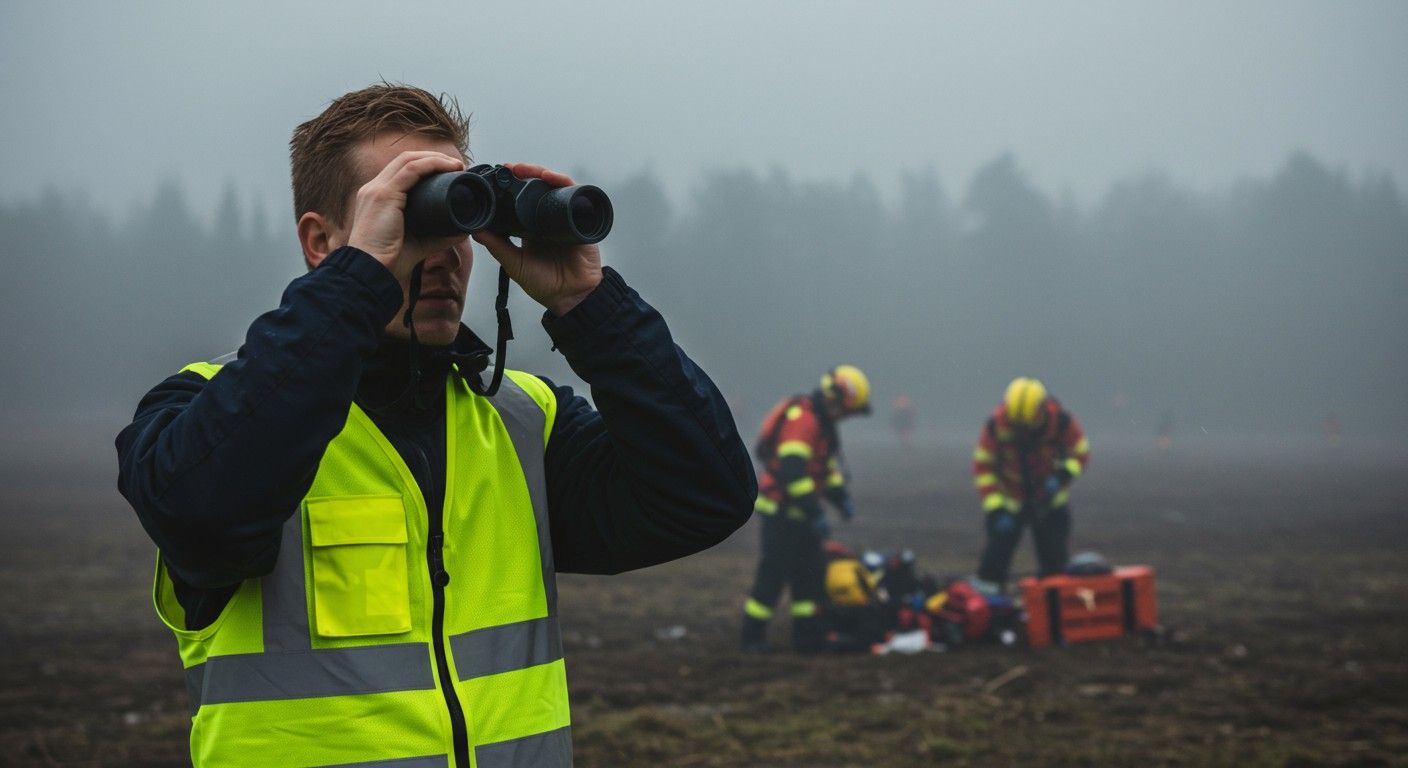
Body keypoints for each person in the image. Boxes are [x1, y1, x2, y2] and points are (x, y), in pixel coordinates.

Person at [114, 84, 756, 768]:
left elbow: (706, 495)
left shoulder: (520, 425)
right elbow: (205, 519)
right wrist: (355, 285)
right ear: (321, 241)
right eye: (415, 219)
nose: (446, 251)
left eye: (460, 220)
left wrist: (589, 304)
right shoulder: (211, 413)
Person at [740, 365, 871, 653]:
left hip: (802, 518)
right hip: (782, 515)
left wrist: (838, 496)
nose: (846, 417)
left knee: (809, 578)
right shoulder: (805, 421)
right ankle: (751, 638)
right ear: (835, 398)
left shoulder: (822, 425)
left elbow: (823, 468)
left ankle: (808, 638)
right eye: (847, 411)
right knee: (772, 578)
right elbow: (792, 472)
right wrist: (816, 512)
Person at [970, 377, 1090, 591]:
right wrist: (996, 508)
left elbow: (1080, 453)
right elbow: (983, 468)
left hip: (1049, 504)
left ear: (1043, 409)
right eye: (1018, 427)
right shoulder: (995, 427)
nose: (1024, 433)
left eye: (1028, 426)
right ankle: (988, 605)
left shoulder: (1061, 423)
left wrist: (1062, 475)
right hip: (1009, 504)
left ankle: (1051, 608)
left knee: (1055, 565)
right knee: (993, 562)